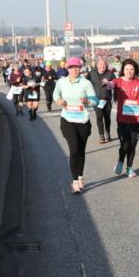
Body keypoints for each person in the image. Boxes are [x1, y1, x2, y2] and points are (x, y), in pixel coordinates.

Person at [53, 56, 98, 194]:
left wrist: (87, 101)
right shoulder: (61, 82)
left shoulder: (86, 83)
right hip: (67, 120)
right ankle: (74, 182)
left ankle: (79, 176)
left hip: (83, 121)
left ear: (80, 68)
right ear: (67, 69)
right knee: (74, 150)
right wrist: (59, 101)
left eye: (76, 67)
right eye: (71, 67)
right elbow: (56, 95)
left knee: (81, 150)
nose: (74, 70)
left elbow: (95, 100)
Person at [106, 59, 139, 178]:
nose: (129, 71)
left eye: (131, 69)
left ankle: (129, 168)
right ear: (123, 70)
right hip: (122, 120)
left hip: (136, 120)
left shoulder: (138, 82)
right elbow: (112, 84)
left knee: (133, 145)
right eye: (127, 69)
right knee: (125, 144)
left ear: (135, 70)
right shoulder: (119, 81)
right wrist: (108, 83)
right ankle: (121, 160)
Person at [89, 55, 117, 143]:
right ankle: (101, 135)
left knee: (107, 117)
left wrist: (110, 85)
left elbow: (116, 84)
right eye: (100, 65)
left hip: (107, 100)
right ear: (97, 65)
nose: (102, 67)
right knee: (99, 117)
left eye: (104, 65)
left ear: (106, 66)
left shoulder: (110, 74)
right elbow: (85, 83)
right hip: (96, 100)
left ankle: (107, 133)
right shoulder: (92, 73)